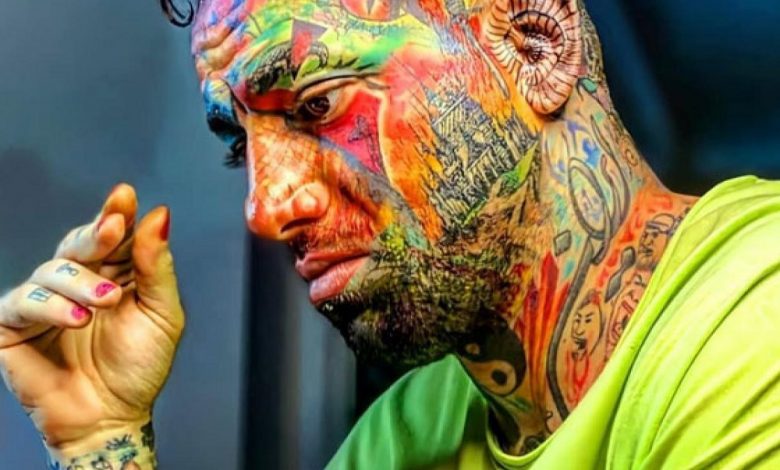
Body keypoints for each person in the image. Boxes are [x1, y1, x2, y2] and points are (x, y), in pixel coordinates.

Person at [2, 0, 780, 468]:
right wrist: (101, 440)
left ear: (535, 45)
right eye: (242, 146)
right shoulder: (404, 435)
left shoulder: (756, 324)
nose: (266, 209)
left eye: (317, 106)